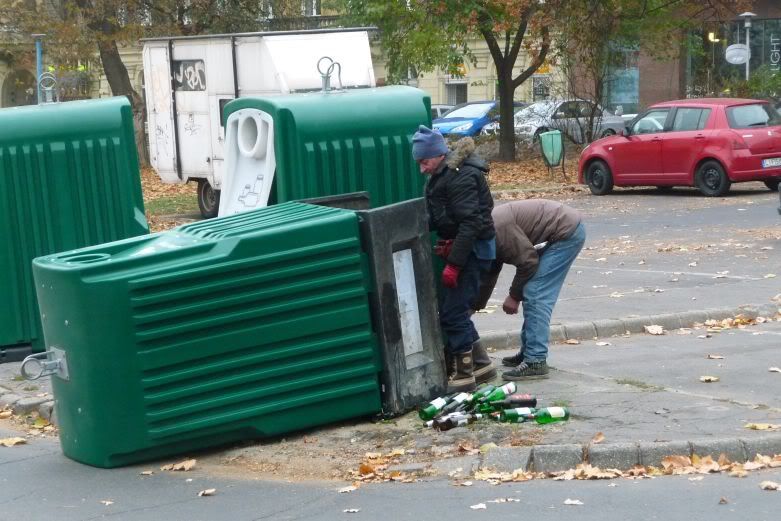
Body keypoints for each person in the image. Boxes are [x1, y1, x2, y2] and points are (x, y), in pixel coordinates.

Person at [412, 125, 496, 392]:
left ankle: (464, 375)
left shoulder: (460, 176)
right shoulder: (442, 174)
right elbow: (442, 216)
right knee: (456, 311)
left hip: (475, 251)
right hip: (467, 248)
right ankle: (482, 366)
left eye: (424, 162)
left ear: (438, 155)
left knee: (453, 313)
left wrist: (454, 264)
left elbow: (471, 223)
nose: (422, 168)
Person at [472, 199, 585, 380]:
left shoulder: (499, 230)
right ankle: (529, 353)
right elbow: (490, 271)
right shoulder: (486, 233)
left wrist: (514, 296)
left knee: (535, 293)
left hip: (567, 232)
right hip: (558, 229)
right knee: (533, 290)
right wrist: (476, 305)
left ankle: (535, 360)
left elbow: (528, 261)